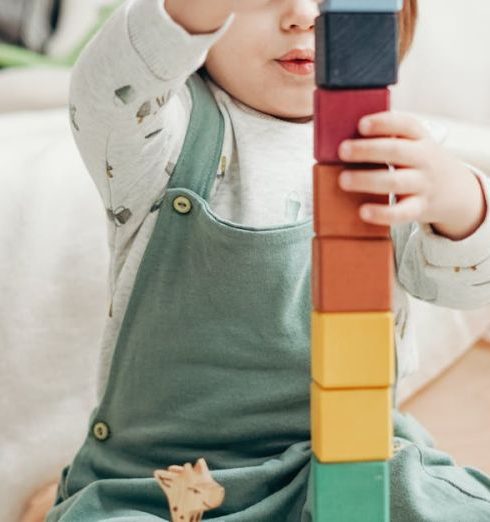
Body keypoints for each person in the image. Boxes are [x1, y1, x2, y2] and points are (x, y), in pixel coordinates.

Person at [23, 0, 490, 520]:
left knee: (440, 500)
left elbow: (465, 290)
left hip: (351, 459)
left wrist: (463, 203)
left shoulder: (399, 152)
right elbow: (105, 91)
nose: (302, 15)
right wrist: (185, 14)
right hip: (164, 482)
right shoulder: (163, 134)